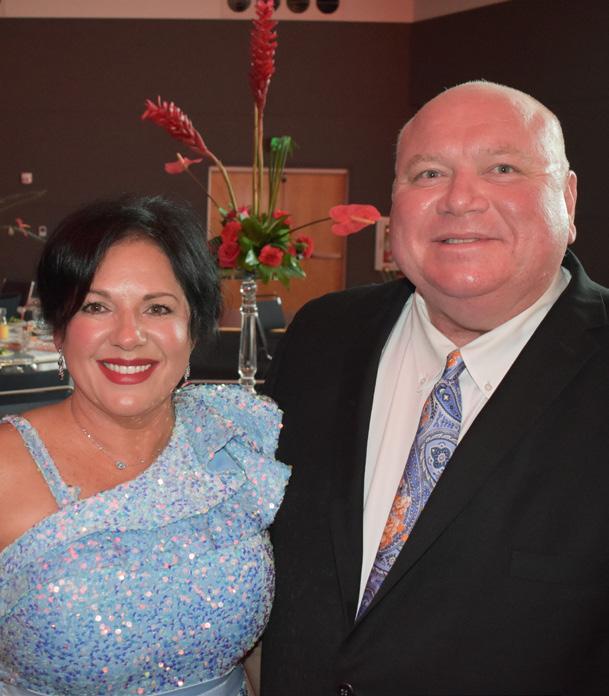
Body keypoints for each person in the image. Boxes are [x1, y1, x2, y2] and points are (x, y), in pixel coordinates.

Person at [260, 81, 609, 694]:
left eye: (502, 168)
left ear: (568, 197)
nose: (460, 199)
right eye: (428, 174)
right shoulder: (321, 336)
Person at [0, 195, 290, 696]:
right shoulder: (7, 467)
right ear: (58, 330)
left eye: (157, 308)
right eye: (96, 307)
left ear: (194, 329)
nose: (129, 336)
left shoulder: (233, 444)